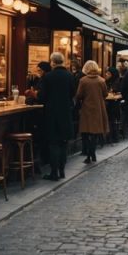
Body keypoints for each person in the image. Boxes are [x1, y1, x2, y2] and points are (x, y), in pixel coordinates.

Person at [37, 52, 76, 180]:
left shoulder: (48, 77)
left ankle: (54, 172)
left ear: (52, 62)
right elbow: (72, 93)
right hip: (65, 113)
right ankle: (62, 170)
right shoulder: (70, 76)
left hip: (52, 114)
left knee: (54, 143)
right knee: (63, 143)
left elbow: (42, 97)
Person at [76, 61, 109, 164]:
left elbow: (79, 95)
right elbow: (105, 94)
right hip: (98, 108)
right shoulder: (101, 80)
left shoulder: (83, 80)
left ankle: (89, 155)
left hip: (87, 109)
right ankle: (92, 153)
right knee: (95, 133)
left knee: (86, 133)